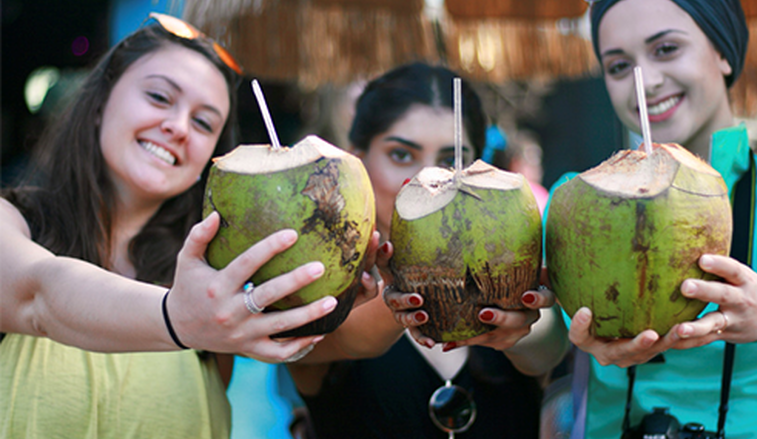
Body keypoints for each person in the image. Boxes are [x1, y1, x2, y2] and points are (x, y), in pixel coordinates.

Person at [0, 14, 382, 438]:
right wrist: (175, 318)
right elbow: (39, 295)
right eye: (160, 97)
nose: (178, 128)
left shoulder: (223, 273)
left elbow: (349, 342)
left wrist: (395, 294)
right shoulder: (12, 222)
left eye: (204, 123)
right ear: (100, 103)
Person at [286, 62, 570, 439]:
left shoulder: (507, 273)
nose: (426, 178)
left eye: (452, 160)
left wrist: (525, 322)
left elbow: (547, 348)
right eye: (401, 155)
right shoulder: (320, 289)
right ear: (357, 162)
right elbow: (333, 340)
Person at [547, 1, 757, 437]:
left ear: (724, 53)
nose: (645, 81)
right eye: (618, 66)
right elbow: (541, 342)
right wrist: (509, 323)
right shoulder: (571, 199)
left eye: (667, 49)